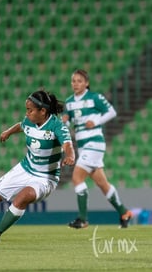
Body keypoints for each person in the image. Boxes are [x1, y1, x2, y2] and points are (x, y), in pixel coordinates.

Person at [0, 89, 75, 242]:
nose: (27, 113)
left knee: (23, 197)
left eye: (30, 110)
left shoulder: (57, 126)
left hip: (45, 177)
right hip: (25, 168)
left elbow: (68, 145)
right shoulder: (30, 120)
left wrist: (70, 155)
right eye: (26, 110)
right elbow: (21, 126)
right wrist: (8, 132)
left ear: (43, 111)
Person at [63, 69, 132, 229]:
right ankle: (124, 212)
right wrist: (65, 121)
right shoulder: (69, 102)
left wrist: (96, 121)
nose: (76, 83)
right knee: (103, 184)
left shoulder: (95, 98)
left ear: (86, 83)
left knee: (77, 178)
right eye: (73, 81)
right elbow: (67, 125)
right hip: (83, 146)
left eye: (79, 81)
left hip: (94, 143)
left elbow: (112, 112)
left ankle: (83, 219)